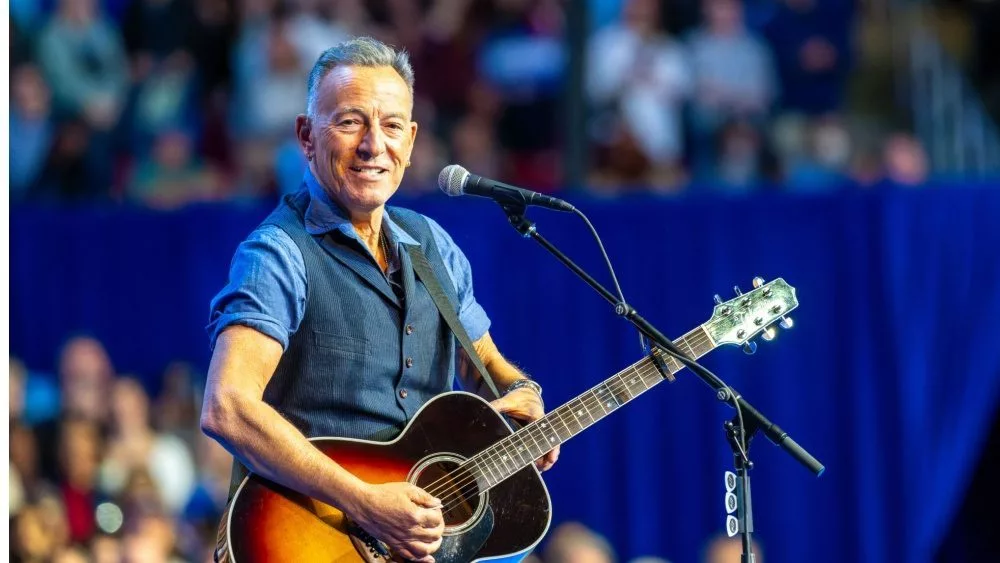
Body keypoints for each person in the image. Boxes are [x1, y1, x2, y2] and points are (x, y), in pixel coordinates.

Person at [200, 37, 558, 563]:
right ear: (306, 135)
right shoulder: (277, 253)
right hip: (311, 541)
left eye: (392, 126)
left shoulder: (432, 245)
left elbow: (483, 363)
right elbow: (226, 408)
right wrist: (364, 502)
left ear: (411, 142)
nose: (373, 145)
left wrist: (520, 389)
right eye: (350, 122)